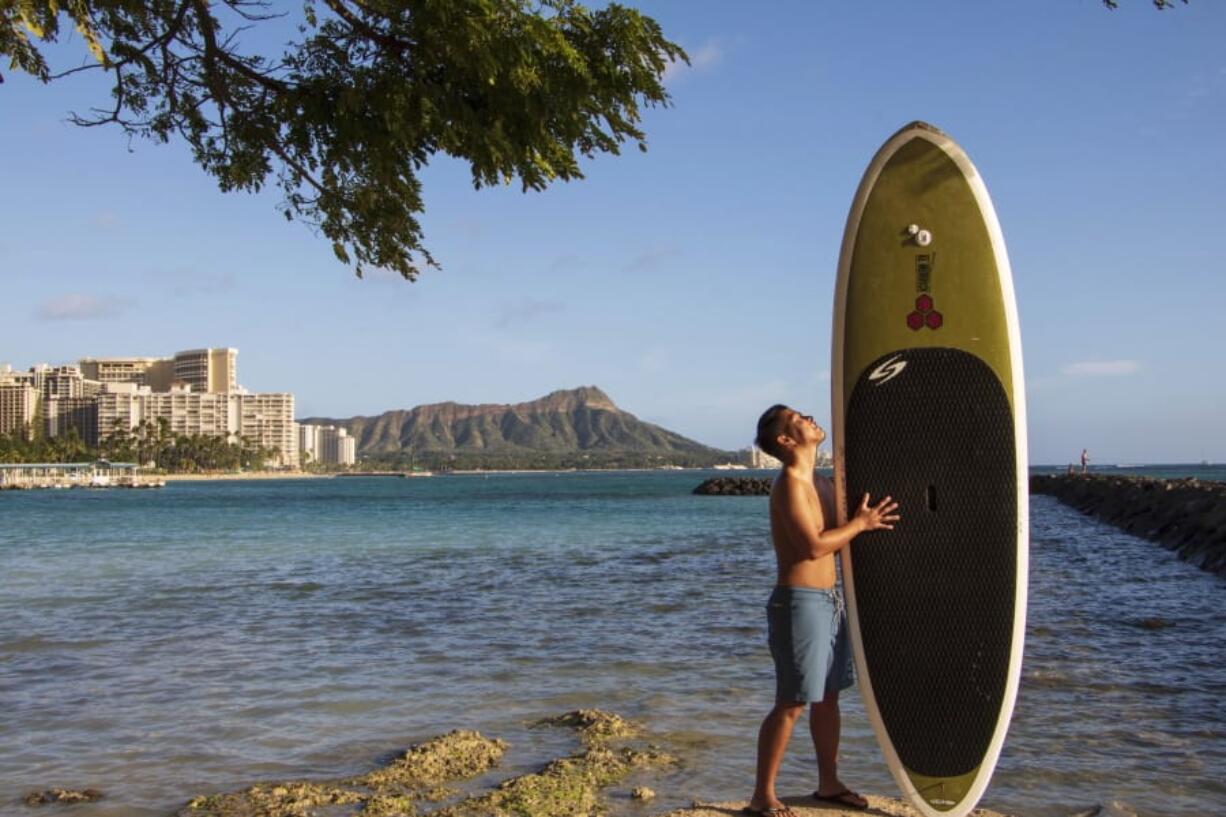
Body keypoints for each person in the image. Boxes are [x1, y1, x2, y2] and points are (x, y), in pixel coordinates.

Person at [745, 405, 900, 817]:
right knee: (792, 702)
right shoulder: (791, 484)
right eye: (797, 417)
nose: (810, 417)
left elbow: (843, 527)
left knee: (828, 698)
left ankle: (828, 784)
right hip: (799, 603)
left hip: (830, 600)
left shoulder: (822, 482)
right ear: (785, 439)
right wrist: (861, 525)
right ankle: (763, 795)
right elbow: (813, 545)